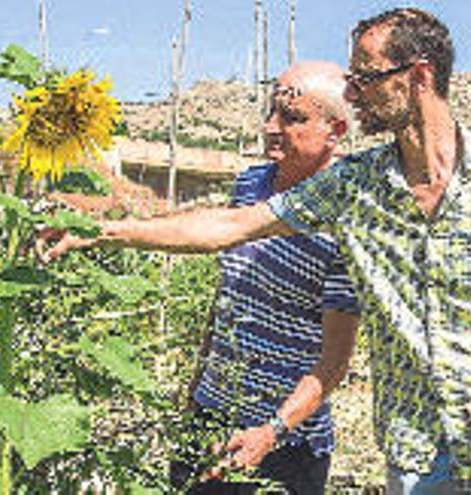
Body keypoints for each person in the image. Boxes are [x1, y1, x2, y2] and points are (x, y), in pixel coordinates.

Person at [43, 9, 471, 494]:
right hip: (416, 453)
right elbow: (231, 227)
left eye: (365, 76)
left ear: (418, 77)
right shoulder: (353, 185)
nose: (353, 89)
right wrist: (103, 231)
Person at [52, 61, 361, 494]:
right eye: (271, 113)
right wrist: (198, 384)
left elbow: (334, 363)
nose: (272, 127)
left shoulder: (347, 217)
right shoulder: (253, 183)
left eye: (292, 118)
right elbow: (228, 293)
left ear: (336, 129)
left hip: (282, 444)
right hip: (211, 417)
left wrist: (270, 431)